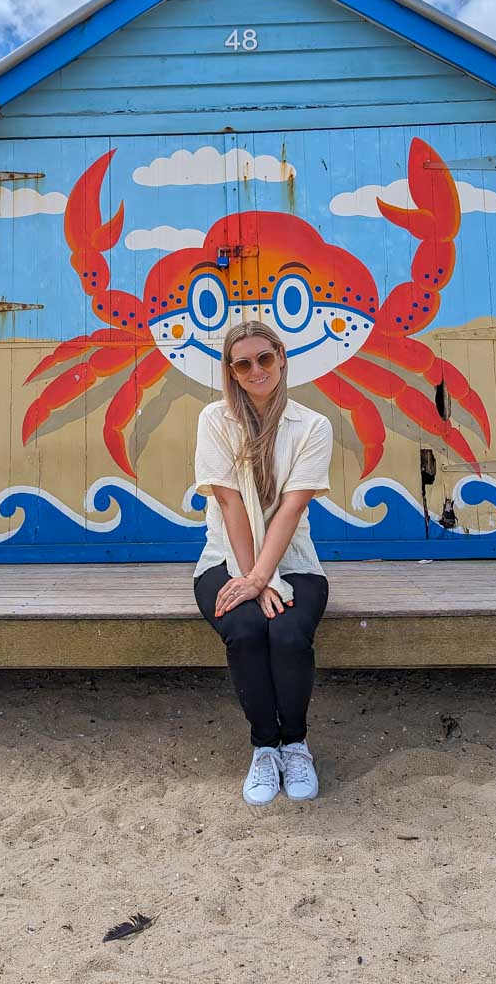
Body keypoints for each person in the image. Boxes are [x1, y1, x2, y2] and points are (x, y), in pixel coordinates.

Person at [192, 320, 334, 806]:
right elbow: (231, 505)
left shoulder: (313, 427)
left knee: (289, 633)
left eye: (264, 358)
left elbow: (291, 509)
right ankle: (263, 748)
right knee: (248, 627)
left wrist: (265, 577)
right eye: (243, 363)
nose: (256, 370)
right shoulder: (215, 420)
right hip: (226, 559)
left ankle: (295, 745)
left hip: (294, 561)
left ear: (281, 357)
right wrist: (253, 579)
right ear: (232, 371)